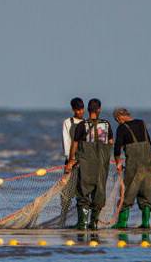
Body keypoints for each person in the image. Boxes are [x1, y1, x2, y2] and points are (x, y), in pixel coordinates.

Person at [65, 98, 113, 230]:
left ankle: (83, 224)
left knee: (82, 193)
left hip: (85, 165)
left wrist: (71, 161)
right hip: (102, 165)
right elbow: (110, 142)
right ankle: (94, 223)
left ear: (88, 109)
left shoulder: (82, 125)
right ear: (99, 109)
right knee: (99, 192)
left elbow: (74, 145)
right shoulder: (107, 124)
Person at [112, 107, 151, 230]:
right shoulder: (141, 123)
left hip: (133, 164)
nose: (118, 122)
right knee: (146, 191)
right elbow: (149, 142)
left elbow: (117, 148)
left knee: (128, 191)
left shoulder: (122, 128)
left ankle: (122, 223)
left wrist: (118, 163)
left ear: (120, 117)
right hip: (148, 162)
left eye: (117, 120)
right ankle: (146, 223)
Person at [57, 97, 85, 227]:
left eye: (82, 109)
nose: (80, 112)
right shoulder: (68, 122)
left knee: (83, 190)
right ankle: (63, 218)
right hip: (71, 161)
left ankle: (82, 221)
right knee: (67, 192)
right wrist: (70, 160)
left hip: (85, 161)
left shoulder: (87, 122)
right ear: (73, 110)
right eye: (78, 110)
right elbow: (66, 141)